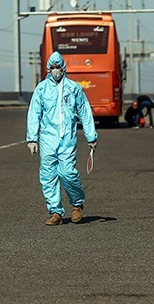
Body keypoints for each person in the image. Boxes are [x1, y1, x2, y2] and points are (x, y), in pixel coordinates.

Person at [26, 51, 97, 225]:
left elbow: (85, 112)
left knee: (67, 173)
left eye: (58, 67)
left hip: (67, 138)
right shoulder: (41, 89)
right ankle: (55, 212)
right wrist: (32, 138)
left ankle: (77, 203)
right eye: (52, 67)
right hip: (47, 138)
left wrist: (91, 136)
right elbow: (34, 113)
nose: (55, 70)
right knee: (48, 175)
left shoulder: (73, 88)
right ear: (48, 69)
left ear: (63, 68)